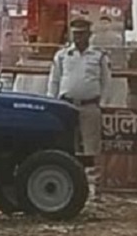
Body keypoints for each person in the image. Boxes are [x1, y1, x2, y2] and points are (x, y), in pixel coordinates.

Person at [47, 18, 109, 194]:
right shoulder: (62, 55)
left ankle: (93, 187)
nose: (78, 38)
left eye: (82, 34)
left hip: (90, 106)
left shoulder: (98, 56)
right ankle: (68, 185)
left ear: (89, 35)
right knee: (66, 146)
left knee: (92, 148)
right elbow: (55, 80)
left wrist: (101, 103)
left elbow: (106, 81)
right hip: (66, 105)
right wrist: (52, 102)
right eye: (75, 34)